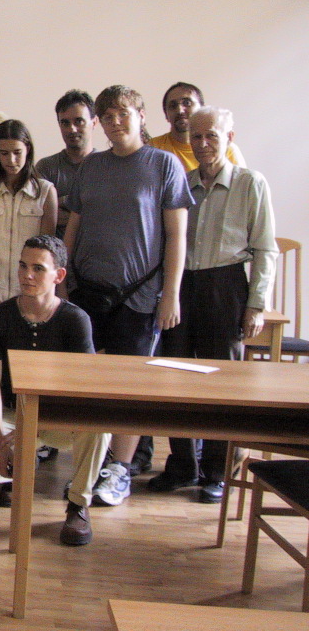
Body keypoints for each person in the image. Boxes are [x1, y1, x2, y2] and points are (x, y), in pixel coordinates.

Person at [64, 84, 192, 506]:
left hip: (139, 296)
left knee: (130, 386)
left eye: (123, 113)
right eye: (108, 116)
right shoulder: (92, 167)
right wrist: (62, 280)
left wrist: (170, 294)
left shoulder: (163, 164)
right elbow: (74, 226)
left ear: (140, 116)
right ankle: (91, 464)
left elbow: (176, 236)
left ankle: (119, 469)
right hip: (87, 292)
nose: (115, 122)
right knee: (89, 384)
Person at [152, 106, 277, 503]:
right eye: (197, 136)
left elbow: (265, 249)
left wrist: (256, 305)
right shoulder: (183, 183)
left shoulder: (250, 183)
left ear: (229, 138)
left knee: (223, 381)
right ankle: (182, 465)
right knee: (174, 375)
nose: (203, 143)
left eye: (212, 136)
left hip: (226, 286)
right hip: (181, 285)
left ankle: (217, 471)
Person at [0, 235, 110, 545]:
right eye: (22, 266)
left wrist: (36, 425)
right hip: (12, 413)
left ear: (58, 275)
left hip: (58, 416)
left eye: (38, 268)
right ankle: (20, 466)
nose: (26, 275)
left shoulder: (75, 319)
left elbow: (82, 389)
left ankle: (78, 504)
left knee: (98, 425)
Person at [0, 119, 57, 339]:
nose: (11, 160)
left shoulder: (45, 192)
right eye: (4, 153)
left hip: (30, 299)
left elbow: (48, 256)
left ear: (28, 150)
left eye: (17, 152)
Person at [36, 90, 98, 240]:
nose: (72, 129)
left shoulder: (107, 166)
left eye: (79, 121)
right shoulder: (46, 168)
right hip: (54, 251)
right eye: (65, 123)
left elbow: (107, 216)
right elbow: (37, 216)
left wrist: (60, 206)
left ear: (94, 122)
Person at [149, 82, 246, 172]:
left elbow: (242, 181)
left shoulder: (226, 148)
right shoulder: (153, 148)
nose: (180, 110)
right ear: (166, 115)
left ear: (202, 109)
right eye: (173, 106)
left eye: (187, 103)